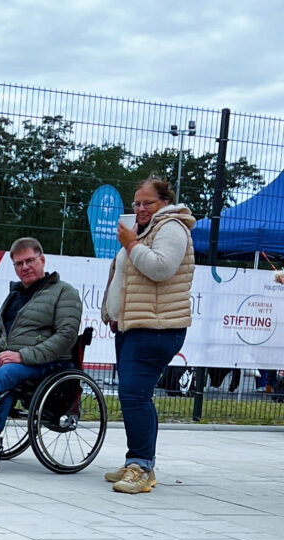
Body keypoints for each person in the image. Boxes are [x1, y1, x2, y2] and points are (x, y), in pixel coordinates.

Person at [101, 177, 195, 494]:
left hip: (157, 328)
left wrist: (131, 244)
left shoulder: (171, 227)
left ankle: (141, 466)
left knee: (134, 395)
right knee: (134, 396)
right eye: (136, 203)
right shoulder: (145, 231)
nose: (139, 209)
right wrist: (112, 312)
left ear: (164, 202)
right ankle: (137, 461)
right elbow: (127, 276)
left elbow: (161, 268)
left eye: (146, 203)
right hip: (134, 326)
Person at [0, 238, 82, 455]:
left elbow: (66, 337)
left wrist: (22, 356)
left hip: (51, 363)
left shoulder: (64, 292)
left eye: (30, 261)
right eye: (19, 264)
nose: (25, 267)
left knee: (6, 373)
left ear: (42, 260)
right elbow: (7, 337)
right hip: (13, 359)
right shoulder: (15, 295)